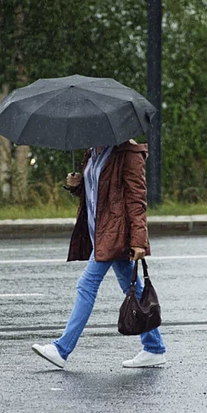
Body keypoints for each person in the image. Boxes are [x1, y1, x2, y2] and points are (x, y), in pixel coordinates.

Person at [32, 139, 166, 369]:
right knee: (132, 288)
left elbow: (136, 200)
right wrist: (77, 185)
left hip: (116, 234)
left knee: (87, 284)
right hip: (100, 232)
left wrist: (138, 241)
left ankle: (61, 349)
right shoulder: (93, 152)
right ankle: (154, 348)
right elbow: (98, 193)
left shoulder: (129, 153)